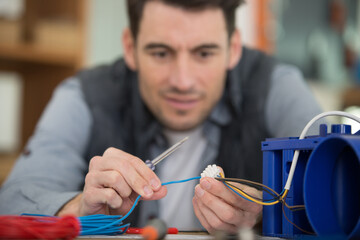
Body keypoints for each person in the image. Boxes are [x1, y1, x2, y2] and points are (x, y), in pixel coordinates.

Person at [0, 0, 323, 234]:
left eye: (204, 53)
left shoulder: (275, 85)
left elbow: (341, 179)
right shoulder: (84, 94)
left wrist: (267, 213)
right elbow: (14, 198)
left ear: (233, 48)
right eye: (160, 53)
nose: (182, 81)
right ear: (130, 47)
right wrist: (79, 210)